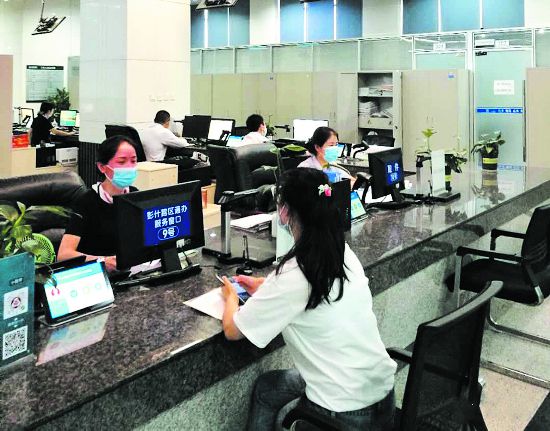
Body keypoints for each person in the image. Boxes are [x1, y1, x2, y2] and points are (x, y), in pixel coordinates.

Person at [220, 168, 397, 431]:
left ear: (284, 212)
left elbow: (233, 330)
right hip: (382, 395)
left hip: (344, 414)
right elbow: (308, 290)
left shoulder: (294, 273)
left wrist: (231, 298)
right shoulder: (341, 252)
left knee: (280, 404)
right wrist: (267, 286)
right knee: (268, 388)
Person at [57, 136, 138, 272]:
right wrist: (101, 261)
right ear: (102, 167)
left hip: (130, 272)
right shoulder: (86, 201)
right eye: (122, 162)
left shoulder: (135, 195)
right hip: (95, 274)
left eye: (133, 161)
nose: (129, 167)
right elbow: (64, 255)